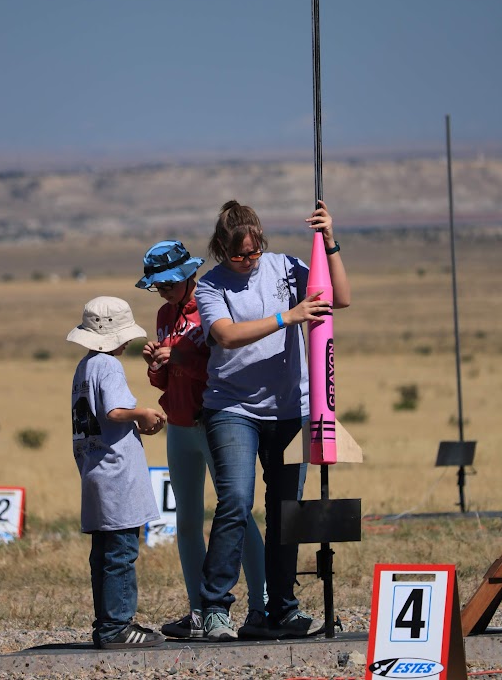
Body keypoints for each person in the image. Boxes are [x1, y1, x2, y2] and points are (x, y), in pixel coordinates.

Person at [195, 200, 351, 641]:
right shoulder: (211, 287)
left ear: (262, 241)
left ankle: (281, 609)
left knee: (286, 512)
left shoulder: (285, 268)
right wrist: (289, 315)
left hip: (290, 409)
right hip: (232, 409)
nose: (247, 261)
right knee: (236, 501)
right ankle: (215, 608)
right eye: (238, 255)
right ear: (222, 248)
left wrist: (330, 242)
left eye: (253, 252)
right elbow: (224, 335)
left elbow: (339, 298)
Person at [135, 240, 267, 639]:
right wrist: (157, 364)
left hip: (213, 422)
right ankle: (198, 609)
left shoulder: (208, 306)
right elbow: (165, 376)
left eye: (169, 284)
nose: (163, 291)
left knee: (237, 514)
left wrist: (176, 358)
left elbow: (218, 366)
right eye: (158, 286)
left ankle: (261, 605)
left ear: (188, 276)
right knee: (188, 522)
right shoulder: (164, 314)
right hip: (178, 426)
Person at [67, 296, 167, 649]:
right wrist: (143, 413)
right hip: (116, 475)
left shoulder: (84, 367)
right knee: (122, 552)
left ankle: (107, 623)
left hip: (95, 472)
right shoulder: (108, 367)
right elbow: (114, 411)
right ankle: (117, 628)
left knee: (104, 554)